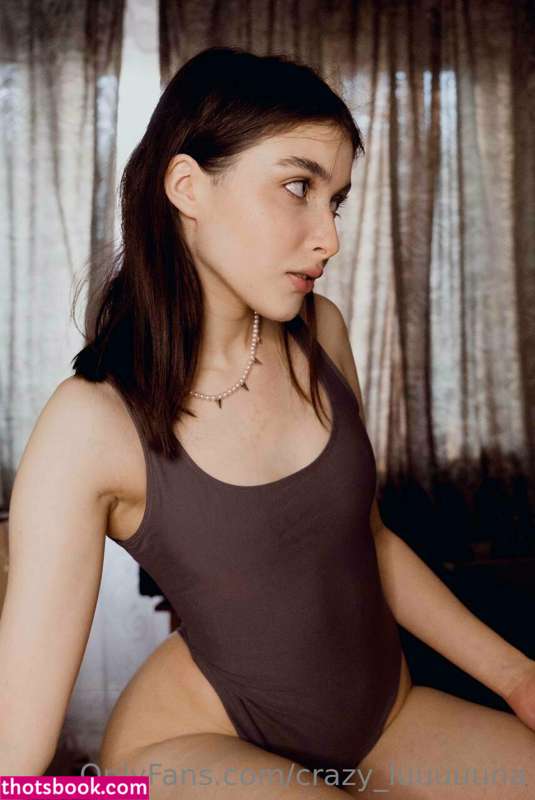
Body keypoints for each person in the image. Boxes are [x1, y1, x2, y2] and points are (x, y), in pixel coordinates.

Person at [1, 46, 534, 797]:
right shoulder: (89, 425)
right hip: (193, 746)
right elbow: (14, 755)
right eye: (296, 187)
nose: (329, 238)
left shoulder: (321, 334)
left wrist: (517, 677)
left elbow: (366, 540)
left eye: (334, 201)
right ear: (188, 187)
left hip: (387, 716)